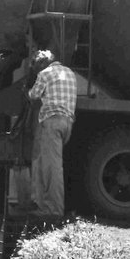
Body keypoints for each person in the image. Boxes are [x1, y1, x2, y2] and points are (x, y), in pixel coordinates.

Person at [26, 48, 77, 219]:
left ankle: (53, 210)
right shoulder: (69, 72)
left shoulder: (45, 74)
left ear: (41, 65)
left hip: (52, 122)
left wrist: (26, 90)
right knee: (46, 163)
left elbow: (33, 95)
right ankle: (42, 204)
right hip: (67, 123)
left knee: (51, 168)